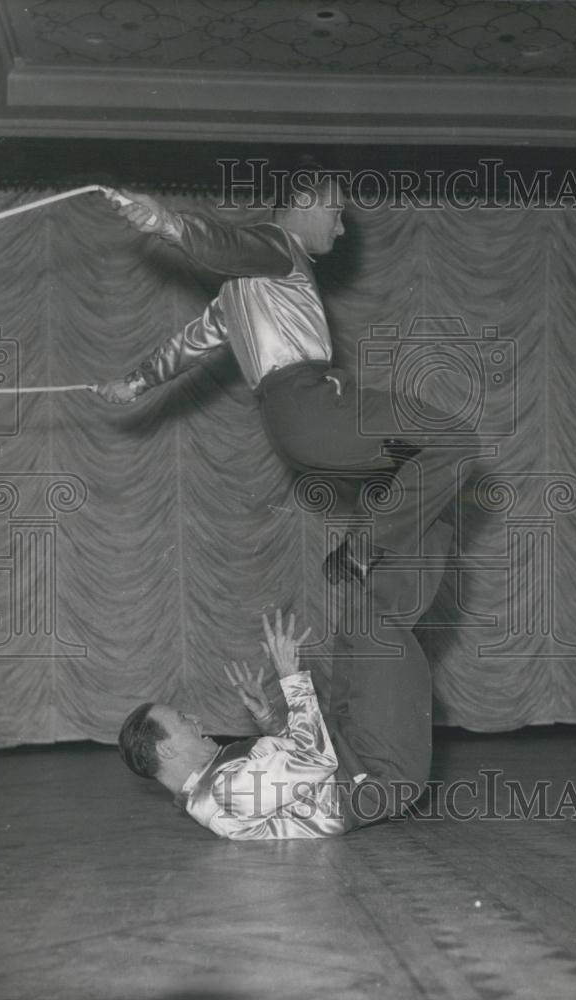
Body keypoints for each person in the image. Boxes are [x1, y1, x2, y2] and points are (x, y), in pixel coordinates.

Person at [95, 168, 480, 583]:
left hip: (289, 432)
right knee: (455, 438)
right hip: (314, 408)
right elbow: (229, 242)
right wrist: (167, 223)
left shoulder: (238, 290)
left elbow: (190, 343)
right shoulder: (277, 247)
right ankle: (364, 552)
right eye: (335, 213)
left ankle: (368, 562)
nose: (342, 228)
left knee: (414, 466)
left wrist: (134, 383)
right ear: (302, 204)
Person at [118, 610, 429, 839]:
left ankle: (416, 529)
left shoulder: (211, 782)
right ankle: (410, 528)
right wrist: (290, 677)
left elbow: (292, 771)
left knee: (358, 622)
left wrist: (268, 718)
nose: (196, 719)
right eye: (183, 720)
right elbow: (316, 761)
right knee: (377, 623)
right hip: (379, 773)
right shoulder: (226, 794)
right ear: (167, 748)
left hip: (349, 748)